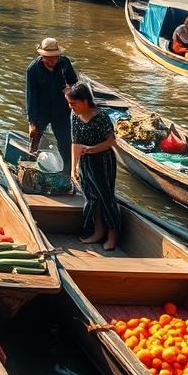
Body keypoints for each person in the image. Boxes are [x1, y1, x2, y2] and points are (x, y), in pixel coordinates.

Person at [66, 84, 121, 251]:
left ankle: (112, 236)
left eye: (74, 103)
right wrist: (73, 168)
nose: (71, 106)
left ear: (85, 101)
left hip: (103, 161)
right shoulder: (75, 116)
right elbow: (75, 142)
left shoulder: (101, 117)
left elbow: (111, 141)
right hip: (86, 161)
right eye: (69, 103)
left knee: (105, 198)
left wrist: (93, 149)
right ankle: (98, 232)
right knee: (91, 198)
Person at [24, 38, 79, 171]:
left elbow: (74, 82)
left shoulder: (64, 63)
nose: (52, 61)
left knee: (65, 144)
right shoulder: (32, 69)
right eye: (49, 57)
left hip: (61, 111)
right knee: (34, 142)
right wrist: (32, 122)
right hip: (41, 111)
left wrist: (70, 89)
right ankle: (30, 169)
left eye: (55, 57)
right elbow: (31, 97)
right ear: (42, 56)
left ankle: (68, 173)